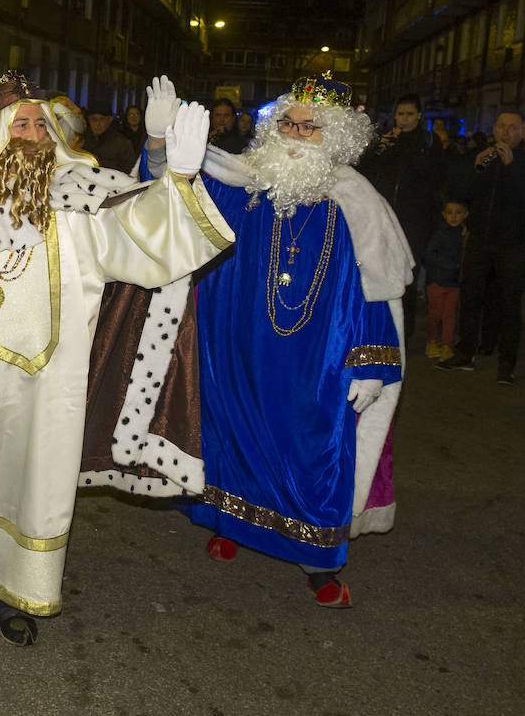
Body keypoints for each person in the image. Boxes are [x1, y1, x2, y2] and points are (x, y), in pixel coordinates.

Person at [0, 71, 233, 645]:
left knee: (37, 479)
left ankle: (18, 587)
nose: (33, 134)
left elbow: (141, 228)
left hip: (55, 377)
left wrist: (167, 165)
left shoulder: (81, 192)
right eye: (20, 124)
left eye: (40, 123)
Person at [176, 73, 411, 607]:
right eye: (288, 123)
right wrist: (162, 148)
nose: (297, 134)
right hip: (239, 349)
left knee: (314, 454)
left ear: (337, 136)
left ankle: (318, 564)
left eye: (311, 126)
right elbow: (182, 201)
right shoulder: (246, 186)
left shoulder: (357, 203)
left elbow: (374, 286)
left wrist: (372, 361)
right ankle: (231, 526)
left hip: (318, 359)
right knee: (231, 443)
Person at [437, 112, 525, 385]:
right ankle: (465, 354)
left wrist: (510, 167)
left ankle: (506, 363)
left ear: (522, 133)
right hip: (479, 241)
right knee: (471, 299)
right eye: (501, 126)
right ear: (493, 129)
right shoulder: (482, 157)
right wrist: (475, 167)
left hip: (512, 245)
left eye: (512, 128)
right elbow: (460, 191)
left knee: (509, 304)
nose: (506, 132)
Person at [359, 93, 444, 338]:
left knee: (407, 275)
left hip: (414, 220)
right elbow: (367, 172)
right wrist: (380, 149)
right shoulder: (386, 140)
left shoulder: (428, 142)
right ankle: (379, 329)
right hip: (383, 217)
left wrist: (404, 145)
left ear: (419, 115)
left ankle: (402, 333)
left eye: (409, 114)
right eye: (400, 114)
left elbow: (432, 177)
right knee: (379, 270)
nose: (404, 120)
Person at [424, 200, 468, 359]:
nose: (454, 216)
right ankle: (431, 342)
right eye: (450, 212)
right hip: (437, 281)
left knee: (449, 315)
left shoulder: (465, 234)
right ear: (444, 215)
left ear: (465, 214)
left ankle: (447, 345)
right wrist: (451, 265)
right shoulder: (440, 233)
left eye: (458, 212)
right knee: (435, 314)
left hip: (454, 283)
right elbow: (429, 255)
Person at [81, 100, 136, 171]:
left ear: (110, 119)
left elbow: (130, 171)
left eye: (101, 119)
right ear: (88, 120)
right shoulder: (81, 140)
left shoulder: (122, 144)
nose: (97, 123)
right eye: (93, 119)